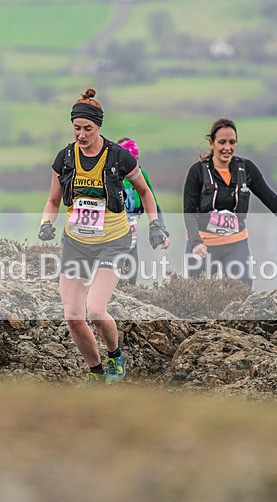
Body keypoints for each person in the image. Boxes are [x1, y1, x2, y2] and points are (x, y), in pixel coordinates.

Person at [39, 88, 169, 385]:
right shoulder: (65, 158)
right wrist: (46, 223)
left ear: (98, 127)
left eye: (88, 129)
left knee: (96, 310)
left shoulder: (119, 157)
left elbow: (146, 192)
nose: (81, 135)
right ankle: (96, 371)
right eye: (77, 129)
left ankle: (115, 354)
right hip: (76, 244)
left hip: (114, 242)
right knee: (73, 316)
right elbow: (52, 202)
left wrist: (155, 225)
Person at [183, 117, 277, 288]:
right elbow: (189, 211)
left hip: (235, 244)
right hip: (203, 246)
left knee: (242, 293)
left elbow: (268, 196)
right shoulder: (197, 171)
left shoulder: (246, 169)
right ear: (212, 143)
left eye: (232, 142)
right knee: (198, 298)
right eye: (222, 142)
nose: (227, 148)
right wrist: (195, 243)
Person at [116, 137, 169, 285]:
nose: (133, 166)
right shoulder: (111, 177)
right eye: (129, 161)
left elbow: (154, 206)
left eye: (136, 160)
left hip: (131, 242)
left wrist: (161, 230)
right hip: (111, 243)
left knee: (130, 285)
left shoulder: (141, 176)